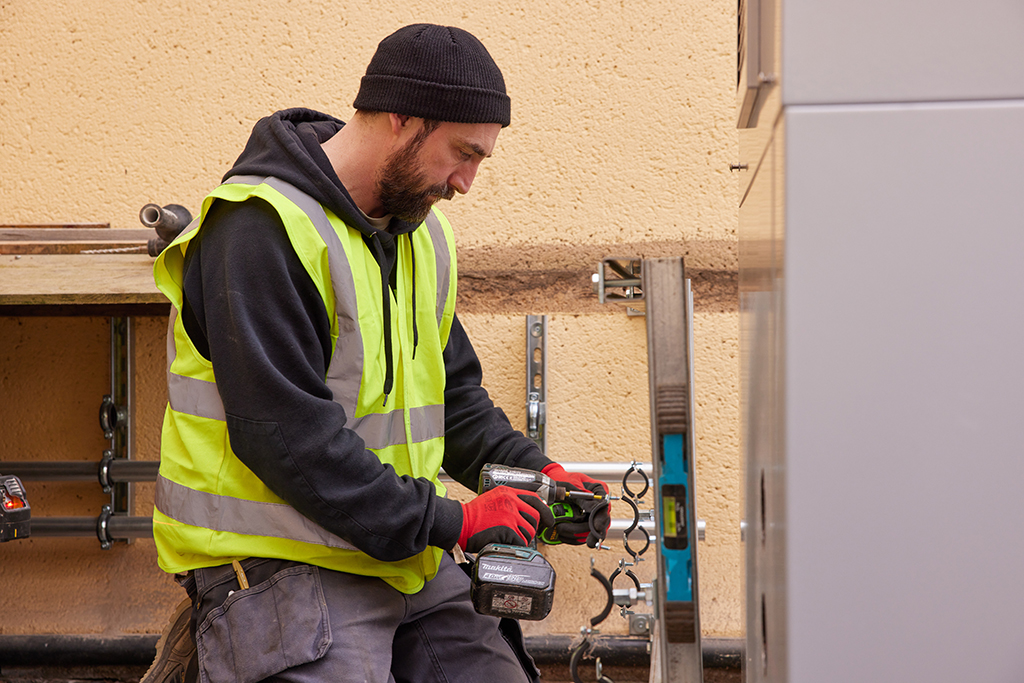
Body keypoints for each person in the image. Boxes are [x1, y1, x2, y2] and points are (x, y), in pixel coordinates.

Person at [141, 23, 610, 683]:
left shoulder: (421, 237)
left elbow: (455, 403)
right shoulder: (261, 228)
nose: (467, 181)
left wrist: (538, 473)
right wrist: (455, 519)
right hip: (283, 569)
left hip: (399, 555)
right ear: (402, 118)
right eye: (462, 152)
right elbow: (289, 439)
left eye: (480, 160)